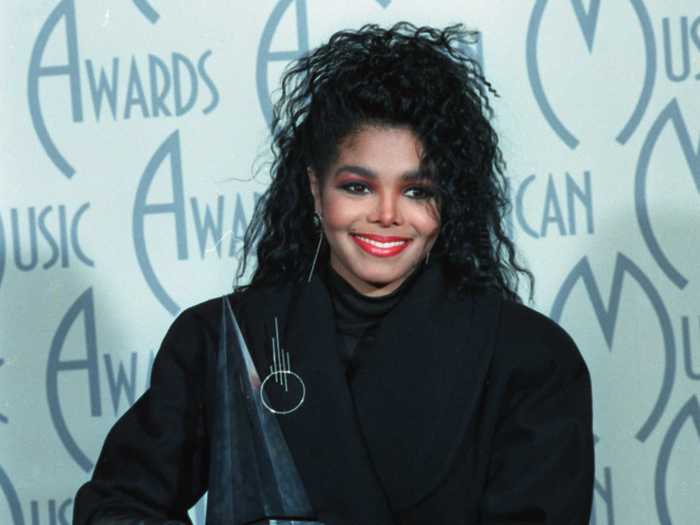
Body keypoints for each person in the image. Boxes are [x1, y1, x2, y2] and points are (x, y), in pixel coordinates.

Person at [74, 22, 594, 524]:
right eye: (358, 187)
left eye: (417, 191)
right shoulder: (224, 339)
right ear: (313, 189)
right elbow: (116, 504)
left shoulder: (531, 361)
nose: (387, 213)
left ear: (448, 203)